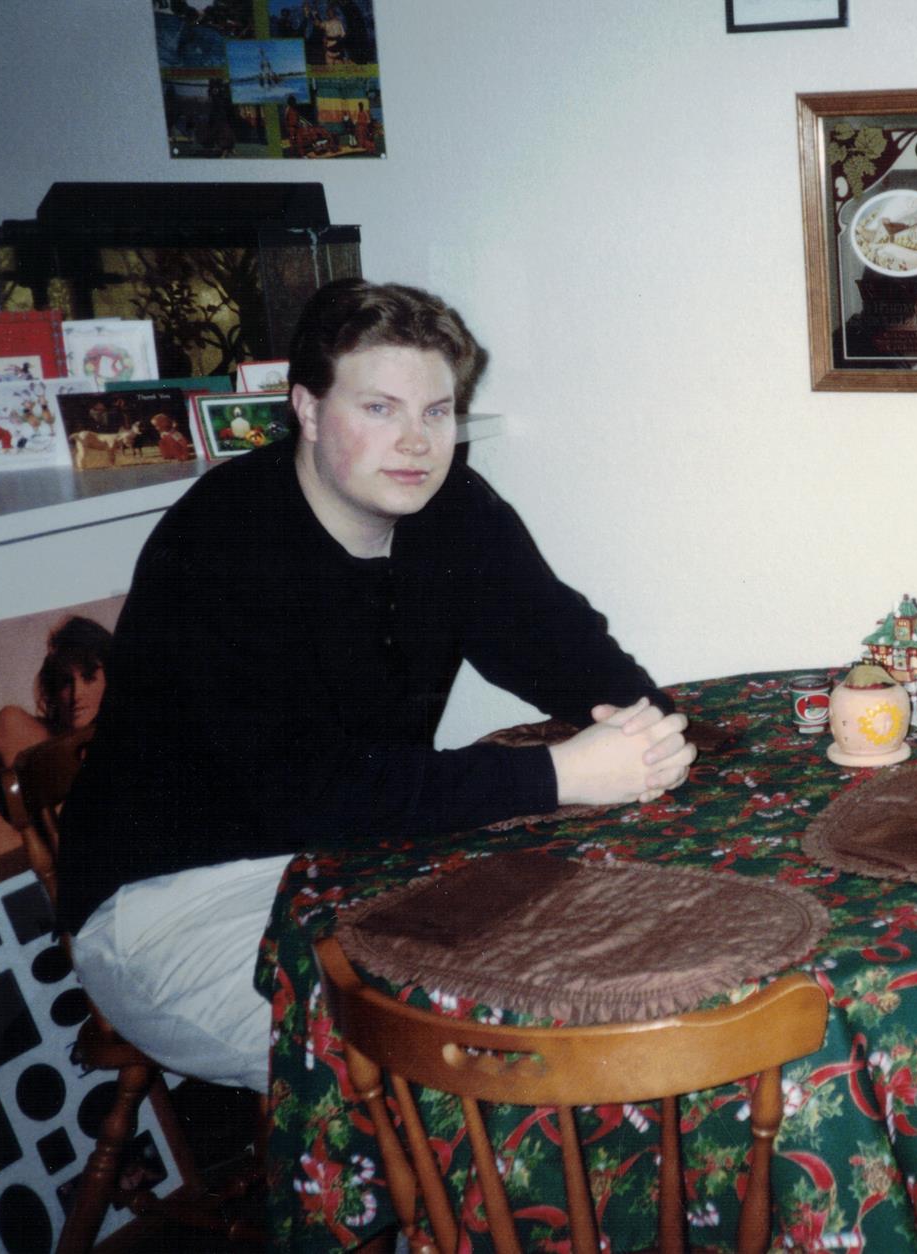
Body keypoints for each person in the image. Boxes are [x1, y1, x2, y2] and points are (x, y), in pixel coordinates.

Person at [60, 279, 694, 1093]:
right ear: (308, 409)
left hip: (352, 857)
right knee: (470, 1047)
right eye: (379, 409)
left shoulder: (450, 508)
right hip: (173, 905)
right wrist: (559, 773)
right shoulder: (223, 545)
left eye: (437, 412)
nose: (416, 442)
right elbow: (306, 790)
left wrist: (648, 729)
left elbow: (560, 643)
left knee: (590, 948)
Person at [0, 617, 113, 867]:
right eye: (66, 681)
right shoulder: (14, 726)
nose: (76, 694)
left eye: (88, 677)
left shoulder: (118, 750)